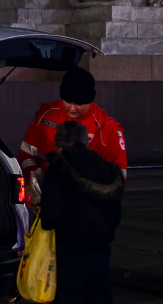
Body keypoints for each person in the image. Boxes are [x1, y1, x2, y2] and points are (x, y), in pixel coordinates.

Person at [39, 121, 124, 304]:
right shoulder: (107, 169)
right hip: (102, 254)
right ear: (85, 141)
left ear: (59, 144)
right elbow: (116, 216)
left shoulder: (58, 171)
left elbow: (50, 217)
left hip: (72, 253)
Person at [18, 67, 127, 178]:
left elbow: (119, 177)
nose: (72, 108)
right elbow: (26, 156)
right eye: (68, 101)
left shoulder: (109, 129)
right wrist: (39, 181)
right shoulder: (46, 114)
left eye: (79, 103)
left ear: (90, 99)